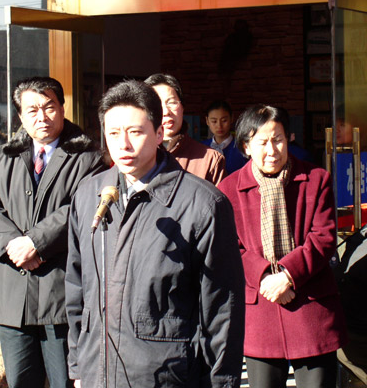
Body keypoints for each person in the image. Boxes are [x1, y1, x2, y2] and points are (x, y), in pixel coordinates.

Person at [66, 80, 245, 387]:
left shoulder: (203, 204)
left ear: (160, 133)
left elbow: (222, 310)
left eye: (135, 132)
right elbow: (76, 288)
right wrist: (79, 367)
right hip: (97, 371)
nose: (123, 144)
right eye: (113, 133)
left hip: (167, 376)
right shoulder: (88, 194)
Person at [0, 77, 105, 388]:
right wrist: (14, 246)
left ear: (62, 108)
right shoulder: (3, 156)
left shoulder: (88, 157)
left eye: (49, 107)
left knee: (65, 381)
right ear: (20, 115)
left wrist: (36, 242)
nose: (42, 117)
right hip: (13, 296)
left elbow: (82, 207)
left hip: (59, 294)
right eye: (32, 110)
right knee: (20, 381)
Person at [218, 104, 348, 388]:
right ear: (246, 146)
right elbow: (230, 247)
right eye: (262, 142)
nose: (272, 150)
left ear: (288, 138)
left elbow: (324, 237)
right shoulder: (228, 189)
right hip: (261, 306)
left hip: (310, 305)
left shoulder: (316, 179)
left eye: (277, 139)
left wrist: (287, 275)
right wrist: (266, 278)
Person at [144, 73, 226, 185]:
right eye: (157, 104)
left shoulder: (210, 160)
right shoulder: (134, 157)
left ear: (182, 107)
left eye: (172, 102)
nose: (166, 112)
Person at [202, 100, 247, 173]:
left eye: (224, 120)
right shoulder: (202, 147)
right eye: (214, 121)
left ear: (231, 118)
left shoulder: (242, 148)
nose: (219, 126)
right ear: (207, 121)